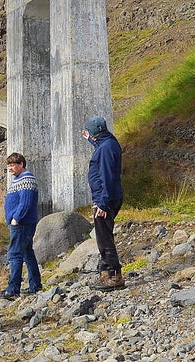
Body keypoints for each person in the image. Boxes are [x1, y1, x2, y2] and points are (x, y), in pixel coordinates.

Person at [82, 116, 126, 292]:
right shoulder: (108, 141)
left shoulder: (105, 149)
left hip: (105, 199)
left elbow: (107, 177)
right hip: (108, 197)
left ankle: (114, 276)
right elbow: (101, 147)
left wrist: (103, 203)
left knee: (105, 239)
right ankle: (106, 273)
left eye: (91, 134)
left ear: (95, 135)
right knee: (103, 236)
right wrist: (90, 140)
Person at [0, 152, 42, 300]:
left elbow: (26, 203)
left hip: (22, 223)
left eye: (13, 165)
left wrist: (16, 218)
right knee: (28, 254)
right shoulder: (19, 179)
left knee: (15, 254)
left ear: (21, 164)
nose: (10, 168)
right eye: (8, 166)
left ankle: (13, 289)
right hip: (22, 222)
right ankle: (35, 285)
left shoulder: (27, 179)